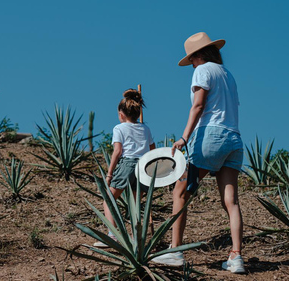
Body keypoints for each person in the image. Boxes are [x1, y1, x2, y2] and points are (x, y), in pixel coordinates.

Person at [152, 32, 245, 273]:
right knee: (231, 201)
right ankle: (236, 257)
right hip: (234, 139)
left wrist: (184, 137)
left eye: (191, 59)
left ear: (200, 55)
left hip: (210, 137)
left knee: (180, 191)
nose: (191, 64)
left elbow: (199, 105)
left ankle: (175, 251)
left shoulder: (203, 70)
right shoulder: (228, 75)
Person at [94, 89, 155, 248]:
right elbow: (153, 150)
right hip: (144, 166)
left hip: (127, 165)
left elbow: (118, 152)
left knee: (108, 199)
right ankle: (136, 240)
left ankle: (112, 235)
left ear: (121, 114)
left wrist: (109, 173)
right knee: (135, 205)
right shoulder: (145, 128)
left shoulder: (119, 129)